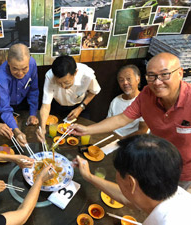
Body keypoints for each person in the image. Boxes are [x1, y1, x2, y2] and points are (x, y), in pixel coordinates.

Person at [71, 52, 191, 191]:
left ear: (180, 73)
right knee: (146, 196)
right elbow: (122, 118)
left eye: (165, 75)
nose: (157, 82)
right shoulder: (147, 94)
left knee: (172, 203)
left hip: (183, 170)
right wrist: (86, 129)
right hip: (155, 157)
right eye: (151, 76)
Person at [73, 134, 191, 224]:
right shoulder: (173, 195)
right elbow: (129, 196)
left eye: (117, 172)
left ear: (131, 182)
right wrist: (88, 176)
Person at [36, 55, 101, 142]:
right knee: (52, 137)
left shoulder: (87, 75)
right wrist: (42, 128)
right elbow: (46, 104)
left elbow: (94, 91)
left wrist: (80, 108)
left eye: (66, 82)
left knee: (79, 137)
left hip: (79, 106)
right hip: (57, 106)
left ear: (75, 73)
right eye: (59, 83)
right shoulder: (50, 75)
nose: (63, 86)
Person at [0, 43, 39, 146]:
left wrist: (32, 113)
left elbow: (33, 90)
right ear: (8, 61)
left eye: (24, 68)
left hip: (21, 102)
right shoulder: (0, 76)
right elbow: (4, 109)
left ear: (29, 60)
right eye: (15, 69)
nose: (20, 73)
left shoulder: (32, 64)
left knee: (28, 134)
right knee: (3, 141)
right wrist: (17, 132)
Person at [107, 65, 148, 137]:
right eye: (121, 80)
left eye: (129, 79)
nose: (125, 83)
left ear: (138, 79)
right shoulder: (116, 100)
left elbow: (143, 130)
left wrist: (122, 140)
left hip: (132, 142)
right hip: (112, 139)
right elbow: (108, 125)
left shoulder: (145, 101)